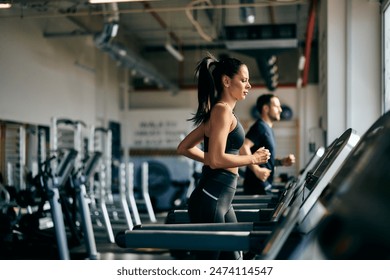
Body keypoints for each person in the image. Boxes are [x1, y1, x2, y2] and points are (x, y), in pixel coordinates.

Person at [176, 53, 270, 260]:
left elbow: (185, 148)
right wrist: (252, 159)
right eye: (244, 80)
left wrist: (210, 159)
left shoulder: (223, 112)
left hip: (220, 198)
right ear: (227, 81)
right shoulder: (221, 111)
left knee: (235, 259)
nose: (249, 85)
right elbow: (216, 159)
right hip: (211, 197)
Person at [240, 93, 295, 195]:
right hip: (256, 187)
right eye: (276, 106)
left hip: (264, 185)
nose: (280, 110)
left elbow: (265, 160)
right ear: (266, 108)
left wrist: (282, 162)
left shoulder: (268, 129)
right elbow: (243, 147)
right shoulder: (260, 127)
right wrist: (256, 170)